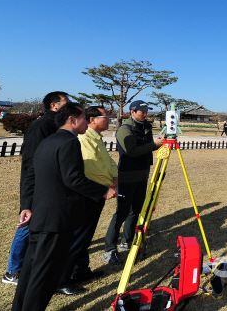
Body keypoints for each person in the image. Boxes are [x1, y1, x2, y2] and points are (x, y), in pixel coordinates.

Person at [11, 103, 115, 311]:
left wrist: (27, 206)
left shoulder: (48, 141)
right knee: (46, 273)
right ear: (72, 120)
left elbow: (31, 176)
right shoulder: (69, 143)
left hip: (41, 215)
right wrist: (102, 191)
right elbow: (74, 179)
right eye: (84, 117)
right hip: (57, 219)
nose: (87, 121)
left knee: (31, 269)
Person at [2, 91, 68, 286]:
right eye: (66, 102)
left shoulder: (58, 124)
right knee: (28, 221)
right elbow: (31, 160)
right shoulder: (41, 125)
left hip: (53, 181)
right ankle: (12, 271)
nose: (69, 104)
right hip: (38, 182)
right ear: (54, 105)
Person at [55, 106, 118, 295]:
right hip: (90, 195)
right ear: (92, 119)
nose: (109, 120)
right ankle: (62, 280)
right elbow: (90, 170)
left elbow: (108, 162)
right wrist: (106, 188)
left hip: (97, 193)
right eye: (105, 117)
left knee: (85, 237)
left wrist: (114, 176)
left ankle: (80, 270)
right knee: (78, 238)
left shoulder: (95, 138)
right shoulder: (84, 139)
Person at [102, 100, 163, 265]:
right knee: (121, 212)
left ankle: (126, 241)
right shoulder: (125, 129)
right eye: (141, 111)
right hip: (127, 177)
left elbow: (148, 147)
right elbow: (132, 151)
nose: (145, 114)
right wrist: (153, 145)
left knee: (136, 210)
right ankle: (109, 248)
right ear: (132, 111)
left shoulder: (146, 127)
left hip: (142, 176)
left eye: (146, 111)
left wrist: (157, 144)